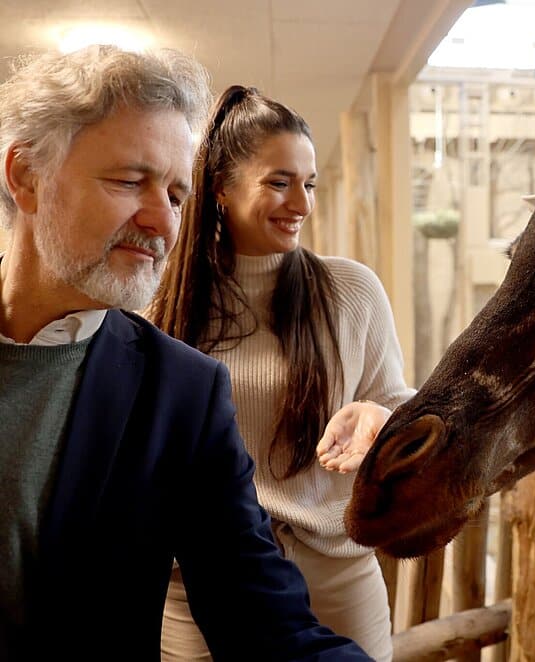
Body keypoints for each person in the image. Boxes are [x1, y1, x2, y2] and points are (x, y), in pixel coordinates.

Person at [0, 45, 370, 660]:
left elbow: (261, 617)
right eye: (129, 181)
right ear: (26, 176)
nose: (161, 221)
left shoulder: (182, 391)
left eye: (175, 196)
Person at [148, 85, 414, 661]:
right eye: (279, 181)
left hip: (337, 576)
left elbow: (397, 401)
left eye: (309, 184)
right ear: (220, 187)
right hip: (198, 583)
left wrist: (381, 416)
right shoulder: (160, 306)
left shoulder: (352, 291)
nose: (301, 203)